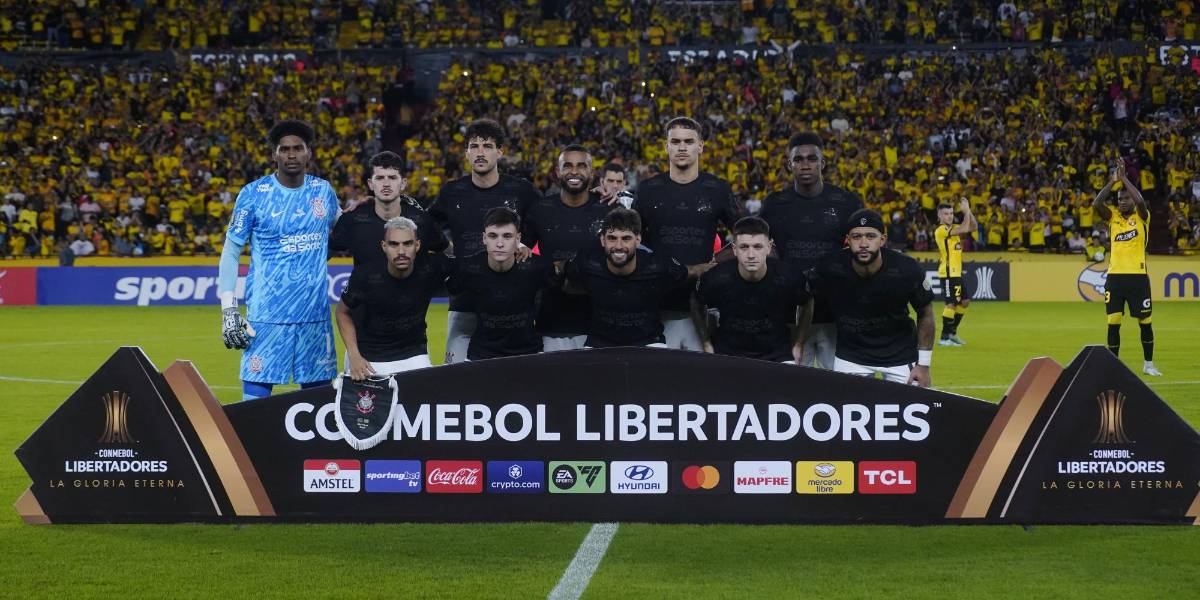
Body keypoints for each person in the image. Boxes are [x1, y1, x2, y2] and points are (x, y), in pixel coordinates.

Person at [217, 120, 340, 400]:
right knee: (254, 407)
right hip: (266, 317)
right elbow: (231, 251)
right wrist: (228, 309)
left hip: (314, 316)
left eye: (298, 148)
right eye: (284, 149)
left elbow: (346, 232)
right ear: (274, 154)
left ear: (309, 153)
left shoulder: (323, 191)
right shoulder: (252, 194)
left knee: (319, 405)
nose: (292, 154)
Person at [428, 118, 540, 363]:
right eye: (474, 146)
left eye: (487, 146)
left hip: (513, 303)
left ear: (499, 152)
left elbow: (548, 221)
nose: (480, 152)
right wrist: (445, 248)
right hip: (464, 302)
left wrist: (528, 246)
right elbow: (426, 226)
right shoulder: (451, 192)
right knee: (456, 380)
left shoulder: (521, 190)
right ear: (466, 153)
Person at [630, 117, 739, 350]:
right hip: (655, 306)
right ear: (666, 146)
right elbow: (630, 241)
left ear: (700, 146)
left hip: (702, 305)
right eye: (676, 141)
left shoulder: (717, 189)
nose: (681, 147)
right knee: (657, 381)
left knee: (701, 383)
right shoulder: (648, 189)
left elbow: (746, 234)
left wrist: (717, 262)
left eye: (688, 141)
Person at [759, 132, 864, 369]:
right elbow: (761, 246)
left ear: (822, 163)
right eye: (798, 159)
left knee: (840, 390)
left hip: (836, 316)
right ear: (789, 164)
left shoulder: (846, 202)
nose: (805, 164)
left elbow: (862, 248)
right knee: (792, 391)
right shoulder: (775, 203)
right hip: (789, 317)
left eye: (811, 158)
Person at [809, 209, 935, 387]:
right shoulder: (830, 267)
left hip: (899, 355)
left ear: (882, 240)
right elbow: (804, 298)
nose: (863, 243)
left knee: (916, 409)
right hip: (851, 357)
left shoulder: (907, 269)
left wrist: (923, 365)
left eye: (870, 236)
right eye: (856, 236)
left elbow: (926, 313)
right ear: (848, 240)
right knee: (845, 411)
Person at [563, 208, 716, 348]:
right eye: (612, 238)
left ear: (638, 240)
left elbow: (690, 272)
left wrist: (712, 267)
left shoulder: (658, 265)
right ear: (603, 240)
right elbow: (562, 276)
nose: (618, 246)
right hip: (599, 341)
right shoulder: (587, 262)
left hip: (649, 342)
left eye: (626, 238)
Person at [523, 144, 616, 351]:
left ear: (591, 173)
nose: (574, 171)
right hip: (550, 326)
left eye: (581, 166)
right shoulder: (540, 210)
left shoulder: (609, 209)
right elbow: (521, 256)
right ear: (558, 172)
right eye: (568, 166)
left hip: (600, 328)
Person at [336, 217, 453, 379]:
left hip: (413, 354)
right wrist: (354, 356)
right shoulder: (365, 275)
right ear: (384, 246)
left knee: (427, 393)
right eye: (394, 244)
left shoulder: (433, 267)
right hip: (368, 356)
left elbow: (465, 261)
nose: (401, 251)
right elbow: (342, 312)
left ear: (417, 245)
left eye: (407, 243)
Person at [691, 216, 814, 363]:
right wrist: (706, 342)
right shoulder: (715, 277)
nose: (751, 255)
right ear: (734, 249)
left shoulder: (790, 277)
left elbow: (808, 302)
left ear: (769, 247)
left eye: (757, 247)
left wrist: (798, 344)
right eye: (744, 247)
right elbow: (696, 301)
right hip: (727, 355)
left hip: (778, 356)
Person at [447, 207, 556, 360]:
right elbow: (452, 286)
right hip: (481, 355)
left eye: (507, 236)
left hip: (528, 354)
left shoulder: (537, 267)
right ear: (484, 238)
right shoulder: (468, 268)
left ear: (518, 239)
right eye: (493, 236)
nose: (499, 244)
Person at [1093, 158, 1161, 376]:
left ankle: (1148, 364)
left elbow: (1141, 201)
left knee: (1145, 321)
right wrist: (1113, 182)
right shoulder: (1112, 218)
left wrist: (1124, 179)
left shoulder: (1142, 217)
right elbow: (1096, 205)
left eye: (1125, 198)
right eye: (1119, 199)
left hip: (1138, 277)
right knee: (1113, 322)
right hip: (1115, 277)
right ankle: (1114, 367)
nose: (1122, 201)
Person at [331, 151, 446, 270]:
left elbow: (449, 250)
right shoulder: (351, 219)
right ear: (370, 184)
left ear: (403, 183)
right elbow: (322, 256)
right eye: (380, 178)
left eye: (392, 177)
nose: (386, 184)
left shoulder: (422, 220)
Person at [935, 198, 975, 346]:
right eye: (946, 214)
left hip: (956, 272)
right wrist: (965, 212)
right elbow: (965, 228)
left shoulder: (954, 228)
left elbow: (973, 227)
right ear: (939, 216)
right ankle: (944, 337)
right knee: (951, 303)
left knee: (964, 302)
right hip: (947, 273)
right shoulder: (941, 230)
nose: (950, 216)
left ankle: (952, 334)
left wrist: (968, 211)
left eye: (951, 213)